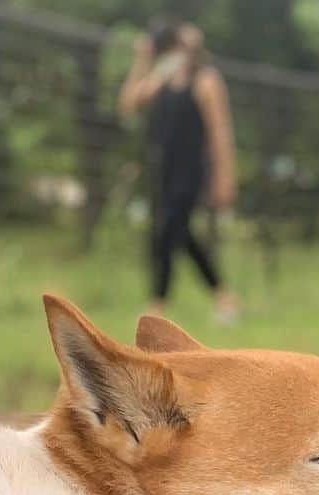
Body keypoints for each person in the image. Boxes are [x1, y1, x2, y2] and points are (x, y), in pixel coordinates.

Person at [118, 19, 239, 321]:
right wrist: (142, 60)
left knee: (167, 231)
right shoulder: (161, 79)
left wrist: (225, 178)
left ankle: (157, 305)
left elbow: (220, 134)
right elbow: (129, 104)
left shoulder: (206, 80)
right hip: (164, 172)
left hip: (191, 173)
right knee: (181, 234)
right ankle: (224, 296)